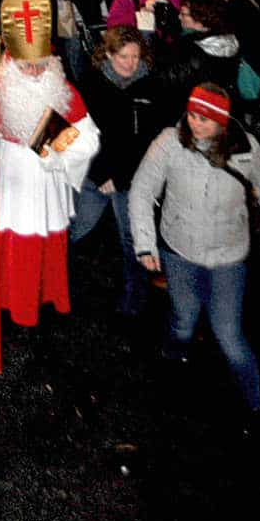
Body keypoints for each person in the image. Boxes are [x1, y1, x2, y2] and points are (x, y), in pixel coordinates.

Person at [130, 82, 260, 422]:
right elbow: (142, 190)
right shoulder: (169, 144)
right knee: (183, 322)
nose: (195, 124)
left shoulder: (246, 149)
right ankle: (171, 364)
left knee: (229, 336)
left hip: (228, 257)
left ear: (222, 121)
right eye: (191, 115)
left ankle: (256, 405)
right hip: (180, 251)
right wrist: (145, 243)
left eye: (205, 118)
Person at [0, 0, 99, 335]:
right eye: (27, 66)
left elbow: (88, 140)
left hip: (43, 188)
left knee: (38, 255)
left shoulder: (63, 90)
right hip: (6, 188)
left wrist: (58, 156)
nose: (35, 72)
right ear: (10, 59)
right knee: (5, 252)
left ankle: (37, 313)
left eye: (41, 64)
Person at [68, 27, 164, 320]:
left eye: (135, 56)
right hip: (95, 175)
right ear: (109, 54)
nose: (130, 63)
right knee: (74, 228)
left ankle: (133, 302)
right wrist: (100, 175)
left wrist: (120, 178)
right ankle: (56, 284)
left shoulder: (150, 86)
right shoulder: (91, 84)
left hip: (131, 179)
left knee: (132, 239)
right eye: (124, 56)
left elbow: (149, 140)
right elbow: (79, 134)